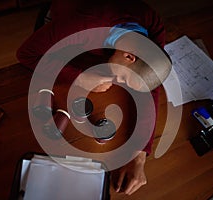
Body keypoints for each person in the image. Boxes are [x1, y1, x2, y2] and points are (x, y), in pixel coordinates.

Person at [17, 0, 171, 195]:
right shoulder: (82, 24)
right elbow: (26, 55)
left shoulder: (153, 29)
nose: (116, 82)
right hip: (67, 22)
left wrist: (139, 154)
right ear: (129, 56)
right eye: (122, 78)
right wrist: (80, 77)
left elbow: (148, 87)